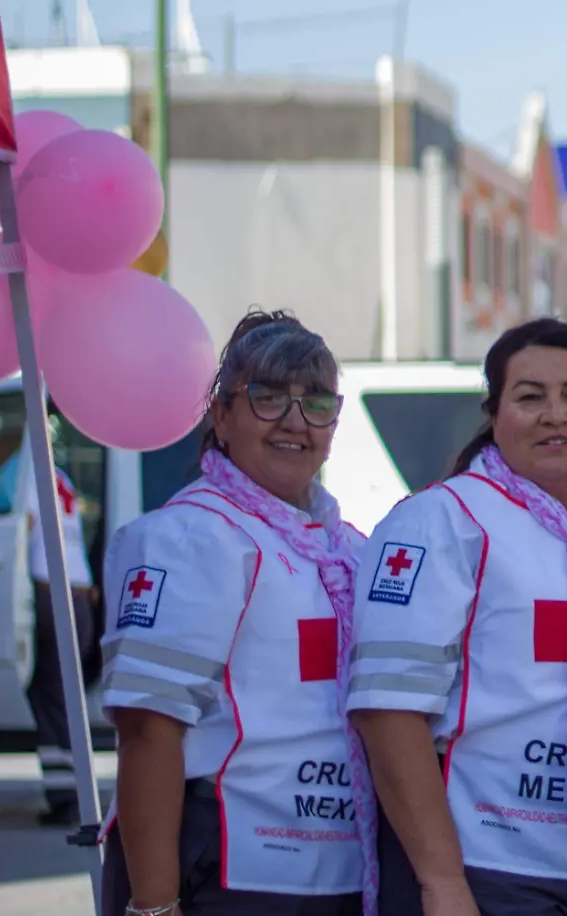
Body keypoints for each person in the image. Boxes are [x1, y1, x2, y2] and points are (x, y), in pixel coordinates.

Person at [347, 318, 567, 916]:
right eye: (530, 396)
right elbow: (388, 713)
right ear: (494, 412)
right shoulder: (439, 523)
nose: (555, 414)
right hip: (489, 873)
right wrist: (442, 882)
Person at [98, 310, 370, 916]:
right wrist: (154, 906)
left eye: (316, 402)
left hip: (337, 873)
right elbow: (147, 731)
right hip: (224, 873)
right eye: (268, 398)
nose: (295, 422)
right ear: (220, 416)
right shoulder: (188, 538)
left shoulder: (349, 547)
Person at [7, 422, 95, 827]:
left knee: (50, 699)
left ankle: (66, 798)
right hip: (78, 595)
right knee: (63, 697)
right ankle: (74, 792)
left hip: (49, 591)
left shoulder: (24, 471)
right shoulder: (61, 478)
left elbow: (18, 532)